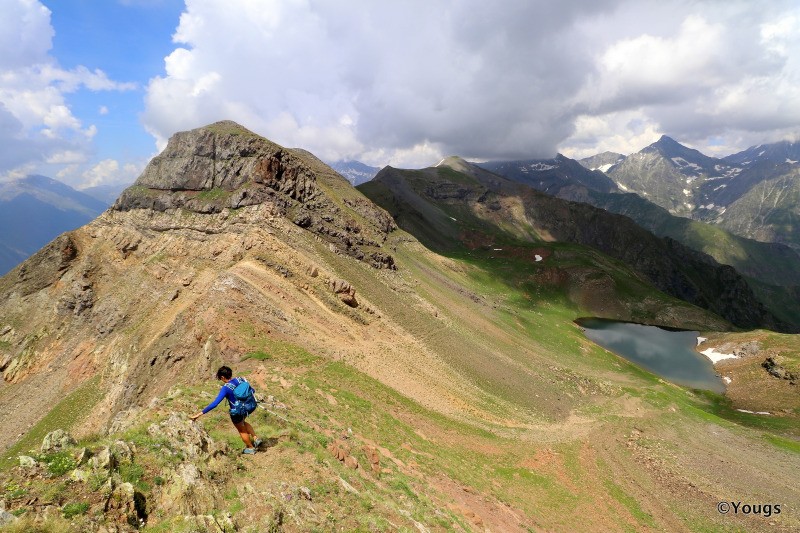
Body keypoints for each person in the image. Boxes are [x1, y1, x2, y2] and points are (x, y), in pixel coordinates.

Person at [190, 366, 262, 454]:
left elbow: (215, 404)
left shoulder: (225, 388)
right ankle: (255, 438)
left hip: (237, 412)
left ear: (223, 377)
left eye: (220, 378)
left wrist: (199, 414)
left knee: (241, 430)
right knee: (243, 422)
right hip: (249, 407)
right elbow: (252, 391)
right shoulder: (240, 379)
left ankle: (250, 448)